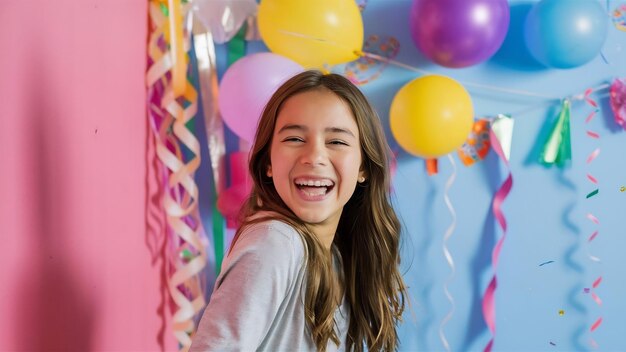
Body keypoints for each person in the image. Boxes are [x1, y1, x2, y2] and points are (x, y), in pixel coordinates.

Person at [190, 70, 407, 352]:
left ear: (364, 166)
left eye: (337, 142)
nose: (314, 156)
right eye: (294, 139)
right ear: (268, 161)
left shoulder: (338, 258)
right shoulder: (276, 243)